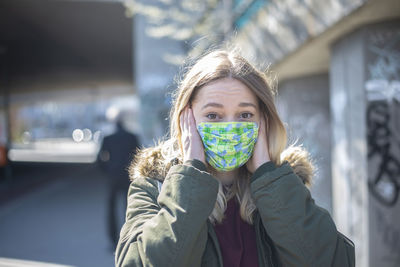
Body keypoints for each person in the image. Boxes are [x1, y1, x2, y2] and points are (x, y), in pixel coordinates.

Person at [115, 50, 355, 267]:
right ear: (186, 120)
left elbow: (333, 260)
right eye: (213, 115)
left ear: (264, 121)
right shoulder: (153, 187)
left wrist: (268, 175)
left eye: (244, 114)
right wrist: (190, 179)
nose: (230, 127)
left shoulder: (284, 185)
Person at [98, 116, 140, 248]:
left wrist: (107, 170)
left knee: (111, 209)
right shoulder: (132, 137)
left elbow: (99, 158)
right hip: (128, 177)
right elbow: (138, 156)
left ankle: (113, 241)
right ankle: (129, 238)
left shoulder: (108, 138)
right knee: (130, 209)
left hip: (113, 177)